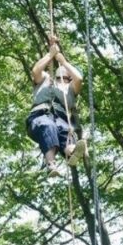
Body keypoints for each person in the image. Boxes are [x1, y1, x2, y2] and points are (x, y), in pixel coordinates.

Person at [27, 34, 87, 176]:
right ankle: (51, 164)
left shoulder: (70, 89)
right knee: (48, 125)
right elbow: (35, 71)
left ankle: (71, 152)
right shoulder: (45, 79)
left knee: (65, 131)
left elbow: (79, 78)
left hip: (62, 120)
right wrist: (50, 54)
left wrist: (63, 61)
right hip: (40, 116)